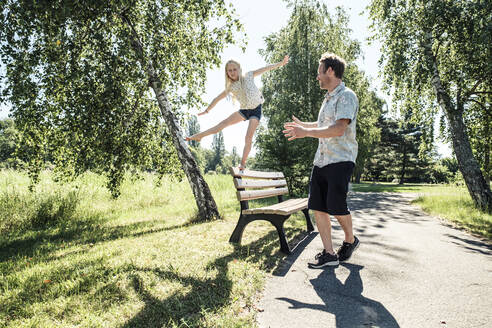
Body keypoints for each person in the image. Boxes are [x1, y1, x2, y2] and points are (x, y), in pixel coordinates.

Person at [283, 52, 360, 268]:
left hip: (341, 159)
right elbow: (322, 125)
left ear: (330, 71)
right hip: (321, 161)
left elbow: (337, 129)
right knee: (318, 206)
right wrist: (305, 127)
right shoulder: (327, 99)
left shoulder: (346, 96)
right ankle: (329, 254)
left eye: (319, 72)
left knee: (336, 206)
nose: (317, 77)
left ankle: (350, 240)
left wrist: (305, 132)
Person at [186, 55, 290, 170]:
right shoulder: (231, 87)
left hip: (256, 110)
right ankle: (199, 136)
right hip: (244, 110)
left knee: (248, 137)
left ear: (239, 69)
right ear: (227, 73)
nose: (232, 72)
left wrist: (281, 63)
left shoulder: (249, 75)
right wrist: (207, 110)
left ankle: (242, 163)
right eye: (229, 71)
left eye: (234, 69)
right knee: (223, 123)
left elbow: (265, 68)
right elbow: (217, 98)